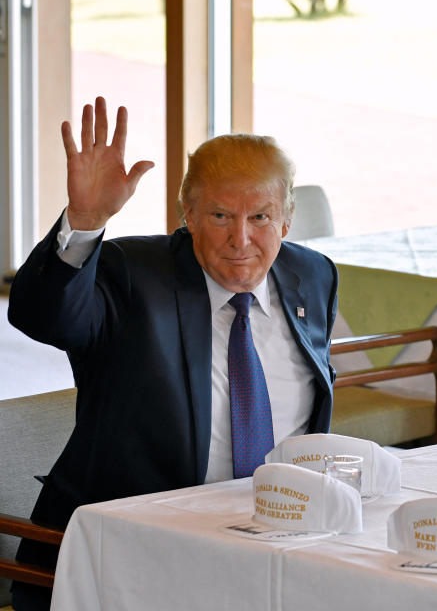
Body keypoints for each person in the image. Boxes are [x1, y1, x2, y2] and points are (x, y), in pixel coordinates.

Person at [8, 97, 338, 610]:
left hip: (279, 543)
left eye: (261, 216)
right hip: (134, 553)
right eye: (221, 215)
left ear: (288, 219)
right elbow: (42, 316)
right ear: (187, 214)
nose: (240, 239)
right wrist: (86, 220)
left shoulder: (313, 276)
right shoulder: (132, 273)